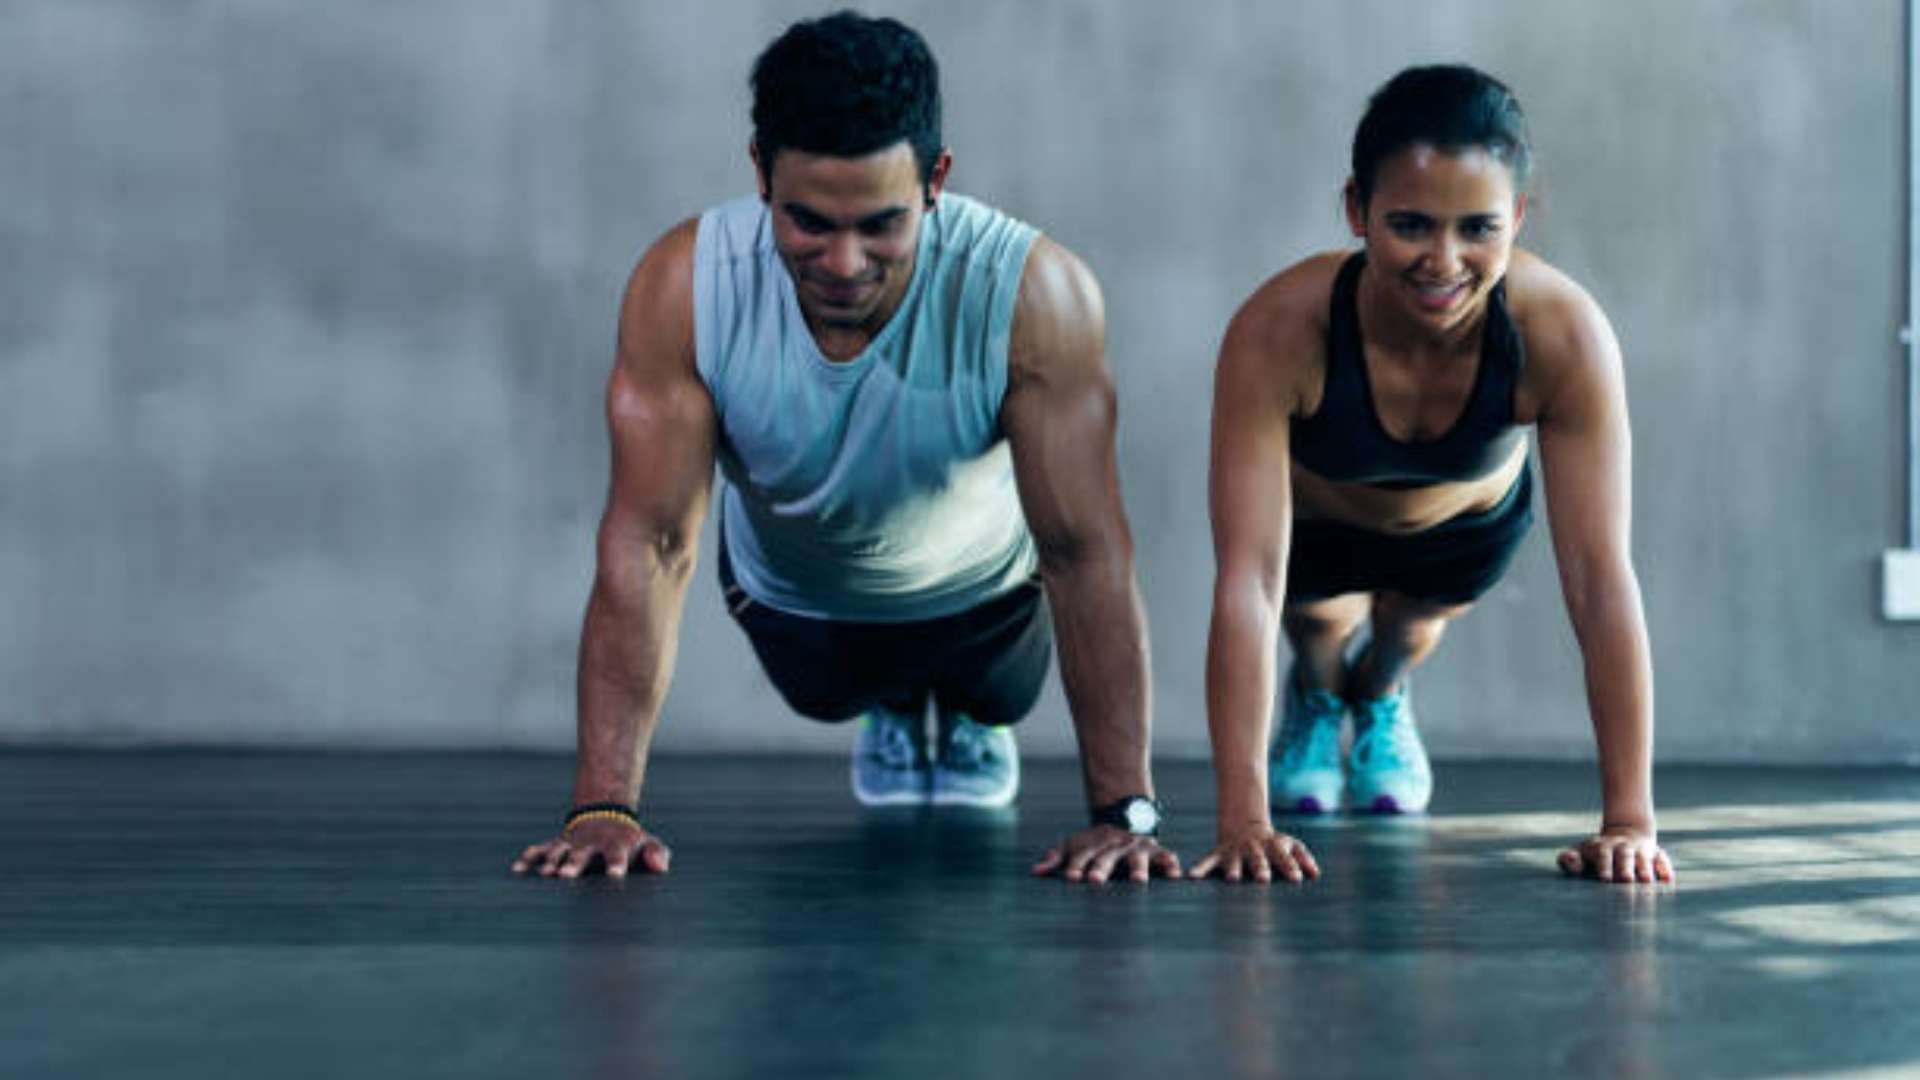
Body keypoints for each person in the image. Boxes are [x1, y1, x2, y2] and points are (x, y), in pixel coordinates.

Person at [512, 11, 1179, 884]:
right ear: (761, 172)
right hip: (803, 607)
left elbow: (1082, 548)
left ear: (936, 180)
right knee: (830, 695)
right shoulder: (685, 286)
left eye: (880, 225)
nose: (842, 260)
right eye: (810, 223)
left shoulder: (1032, 293)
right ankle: (898, 706)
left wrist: (1124, 813)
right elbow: (653, 542)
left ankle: (962, 716)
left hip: (985, 597)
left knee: (993, 692)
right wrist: (604, 808)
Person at [1192, 64, 1673, 885]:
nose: (1442, 260)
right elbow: (1247, 580)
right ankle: (1316, 699)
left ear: (1519, 216)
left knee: (1407, 633)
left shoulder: (1565, 334)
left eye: (1477, 228)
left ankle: (1378, 696)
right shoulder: (1280, 328)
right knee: (1312, 629)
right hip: (1321, 527)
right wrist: (1244, 822)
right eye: (1410, 225)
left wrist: (1630, 822)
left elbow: (1599, 580)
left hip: (1462, 530)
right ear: (1357, 211)